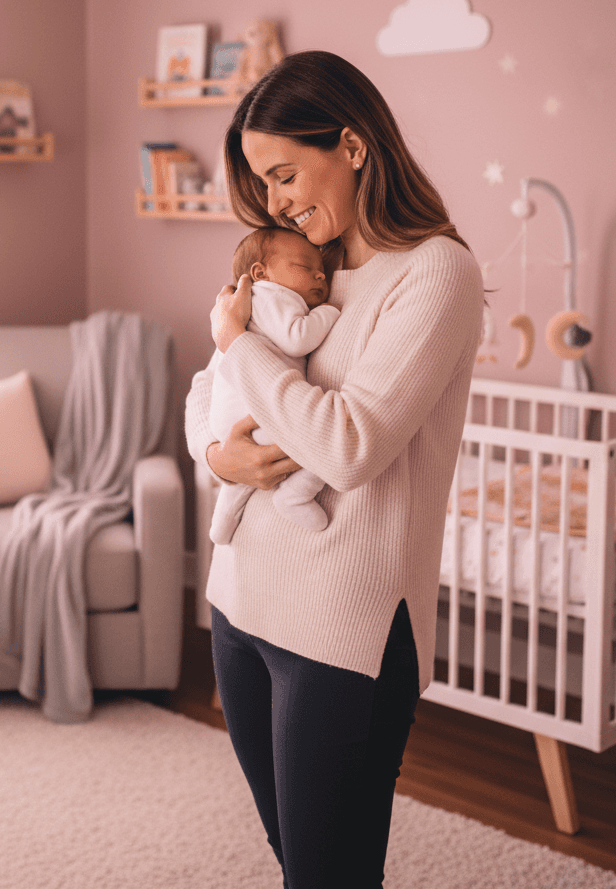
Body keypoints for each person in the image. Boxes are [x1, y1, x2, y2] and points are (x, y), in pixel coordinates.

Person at [185, 50, 483, 889]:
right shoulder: (294, 263)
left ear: (352, 145)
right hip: (241, 601)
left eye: (284, 174)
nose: (276, 202)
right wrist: (218, 454)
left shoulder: (434, 273)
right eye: (263, 184)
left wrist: (239, 344)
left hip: (343, 626)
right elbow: (206, 393)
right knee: (296, 859)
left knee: (329, 873)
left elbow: (351, 447)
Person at [208, 226, 339, 543]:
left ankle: (222, 525)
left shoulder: (246, 306)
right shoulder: (272, 296)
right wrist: (331, 312)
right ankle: (294, 494)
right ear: (260, 273)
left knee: (242, 479)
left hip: (229, 419)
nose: (320, 276)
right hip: (255, 411)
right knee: (320, 444)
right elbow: (297, 339)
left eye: (321, 270)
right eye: (306, 268)